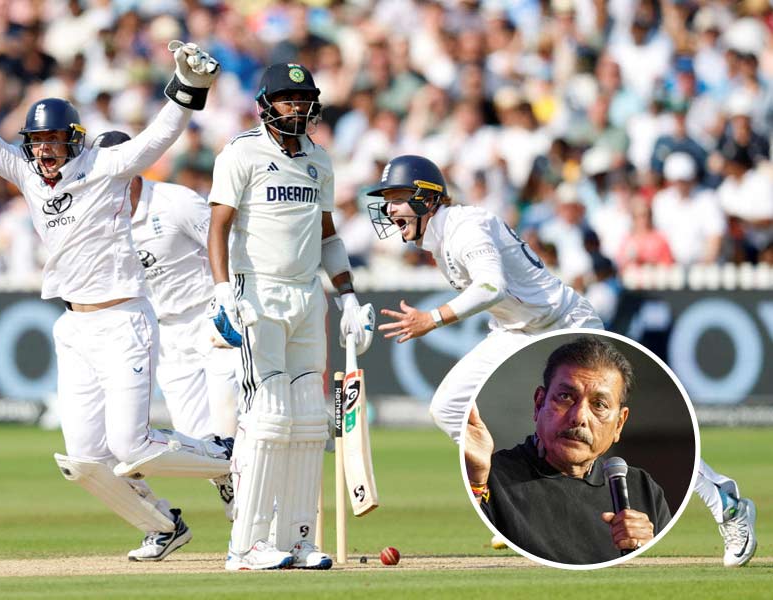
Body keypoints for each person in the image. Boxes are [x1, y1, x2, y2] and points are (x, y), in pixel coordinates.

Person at [0, 36, 232, 562]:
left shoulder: (106, 167)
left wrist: (190, 84)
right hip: (74, 329)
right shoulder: (27, 176)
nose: (44, 151)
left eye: (55, 141)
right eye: (36, 141)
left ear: (76, 141)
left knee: (132, 447)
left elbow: (160, 135)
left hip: (124, 317)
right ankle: (162, 524)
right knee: (85, 458)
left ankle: (225, 456)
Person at [207, 63, 374, 570]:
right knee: (268, 417)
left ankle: (297, 539)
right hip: (257, 293)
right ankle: (245, 546)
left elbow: (327, 235)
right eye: (286, 100)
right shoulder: (241, 152)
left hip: (307, 297)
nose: (297, 108)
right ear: (266, 103)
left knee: (306, 420)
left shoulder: (318, 160)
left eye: (303, 100)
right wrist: (220, 292)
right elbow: (217, 228)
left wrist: (346, 295)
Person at [367, 155, 603, 446]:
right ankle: (495, 477)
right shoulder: (440, 241)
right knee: (447, 408)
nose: (389, 210)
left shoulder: (465, 227)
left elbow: (491, 287)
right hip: (515, 331)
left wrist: (432, 318)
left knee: (589, 420)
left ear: (427, 199)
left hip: (565, 323)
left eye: (398, 198)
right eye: (387, 200)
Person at [91, 130, 242, 557]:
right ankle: (227, 510)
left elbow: (226, 244)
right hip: (167, 334)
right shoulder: (102, 219)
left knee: (228, 432)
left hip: (212, 322)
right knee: (202, 446)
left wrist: (228, 303)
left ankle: (250, 529)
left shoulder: (175, 202)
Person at [464, 335, 671, 565]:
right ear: (539, 403)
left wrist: (648, 551)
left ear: (619, 424)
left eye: (599, 405)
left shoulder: (642, 489)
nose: (579, 417)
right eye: (565, 397)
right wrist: (475, 482)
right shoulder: (488, 479)